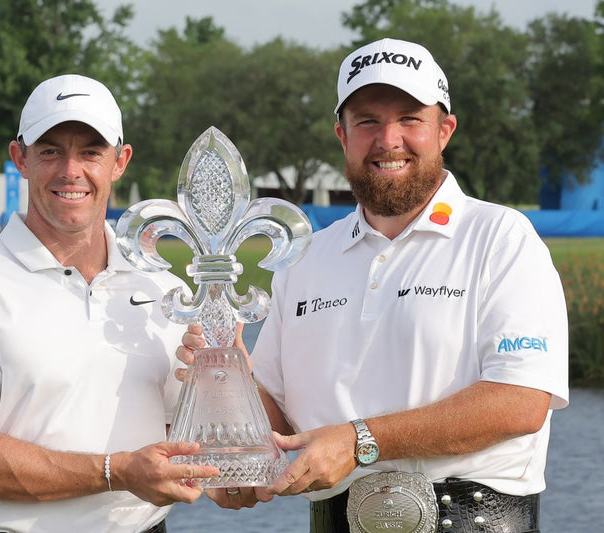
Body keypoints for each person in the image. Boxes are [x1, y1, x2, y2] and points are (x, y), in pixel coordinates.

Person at [178, 38, 568, 532]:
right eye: (367, 121)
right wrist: (227, 382)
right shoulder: (306, 257)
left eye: (410, 119)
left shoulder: (499, 236)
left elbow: (521, 402)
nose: (388, 139)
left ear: (444, 131)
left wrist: (358, 440)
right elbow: (277, 418)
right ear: (342, 135)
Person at [0, 74, 218, 533]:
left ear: (120, 161)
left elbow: (189, 441)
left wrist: (223, 377)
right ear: (20, 158)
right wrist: (117, 471)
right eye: (51, 151)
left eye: (91, 152)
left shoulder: (165, 288)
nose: (71, 170)